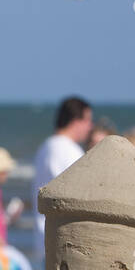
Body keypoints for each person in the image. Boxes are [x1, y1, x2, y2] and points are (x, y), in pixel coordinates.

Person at [32, 96, 92, 255]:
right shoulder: (70, 151)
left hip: (44, 236)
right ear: (76, 120)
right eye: (88, 121)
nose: (90, 127)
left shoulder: (45, 147)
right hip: (62, 239)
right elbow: (78, 196)